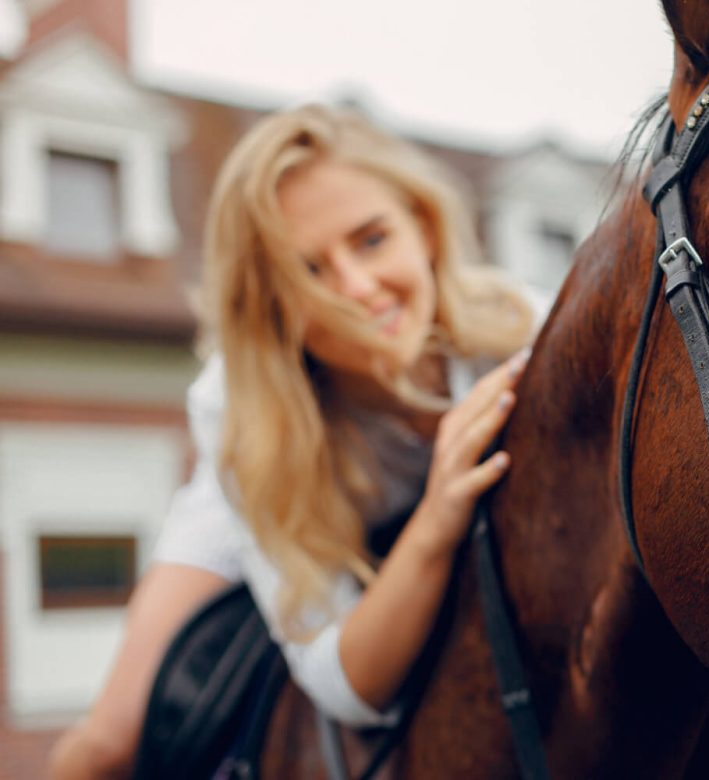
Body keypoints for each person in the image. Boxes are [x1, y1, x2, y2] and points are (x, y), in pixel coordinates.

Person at [49, 104, 537, 778]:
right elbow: (344, 684)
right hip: (265, 480)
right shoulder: (237, 409)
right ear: (270, 305)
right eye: (308, 273)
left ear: (422, 227)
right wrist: (436, 519)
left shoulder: (522, 330)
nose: (358, 289)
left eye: (371, 240)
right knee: (110, 741)